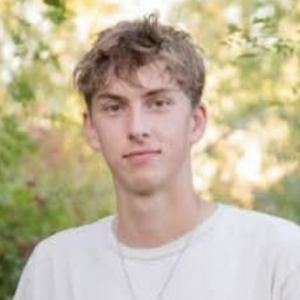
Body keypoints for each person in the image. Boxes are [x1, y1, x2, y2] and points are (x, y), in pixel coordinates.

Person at [13, 14, 300, 300]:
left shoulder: (280, 256)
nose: (137, 128)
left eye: (158, 103)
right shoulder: (54, 268)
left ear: (195, 122)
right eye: (114, 107)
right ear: (92, 130)